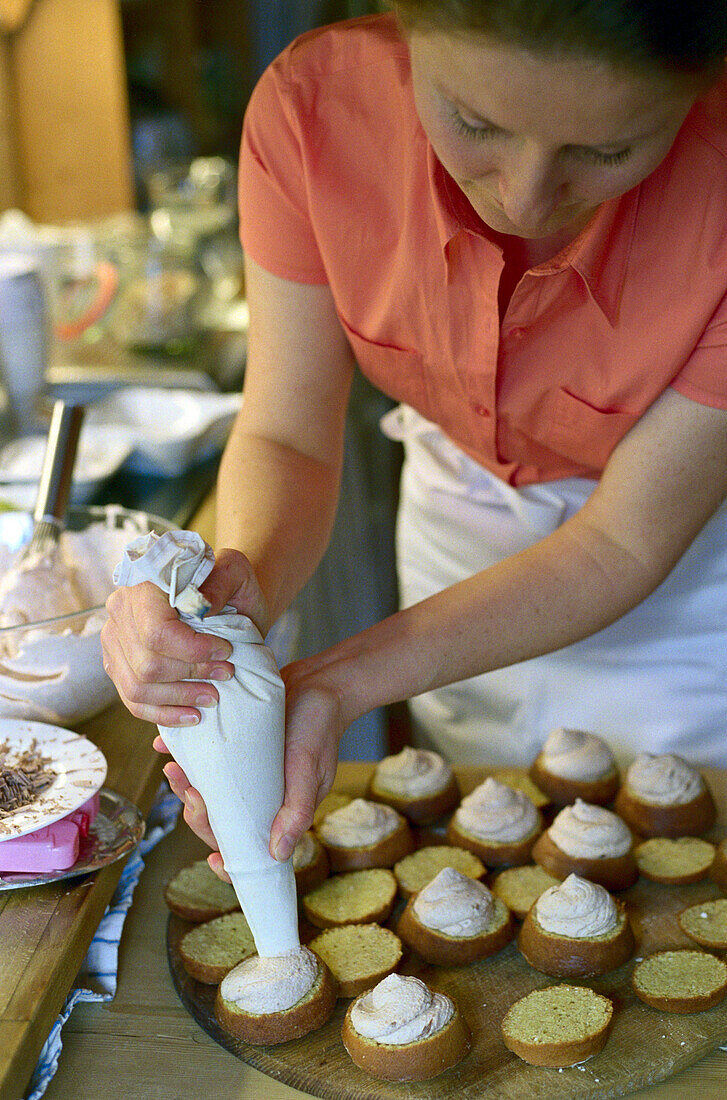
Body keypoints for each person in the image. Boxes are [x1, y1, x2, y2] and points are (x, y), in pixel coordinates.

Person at [102, 1, 727, 879]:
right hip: (452, 561)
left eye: (603, 150)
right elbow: (287, 434)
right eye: (474, 123)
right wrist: (230, 610)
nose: (523, 195)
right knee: (479, 852)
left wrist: (343, 677)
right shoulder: (315, 112)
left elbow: (621, 540)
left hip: (685, 596)